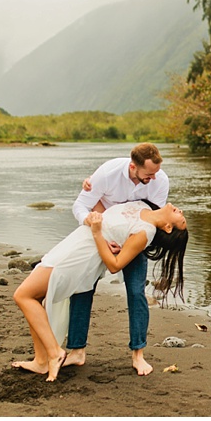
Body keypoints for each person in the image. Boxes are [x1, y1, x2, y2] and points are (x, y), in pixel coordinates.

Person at [11, 200, 188, 381]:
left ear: (168, 227)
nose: (180, 211)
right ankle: (41, 361)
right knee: (34, 296)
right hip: (75, 243)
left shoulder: (146, 232)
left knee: (23, 295)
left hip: (81, 255)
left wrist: (97, 233)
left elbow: (115, 265)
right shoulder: (143, 205)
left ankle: (54, 353)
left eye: (180, 219)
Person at [65, 142, 170, 371]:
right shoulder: (107, 172)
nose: (153, 178)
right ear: (133, 167)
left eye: (155, 173)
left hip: (134, 238)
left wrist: (132, 245)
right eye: (148, 174)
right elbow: (80, 206)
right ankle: (76, 350)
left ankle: (138, 354)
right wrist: (96, 228)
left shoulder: (160, 180)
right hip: (101, 235)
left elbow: (154, 217)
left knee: (136, 291)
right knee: (82, 288)